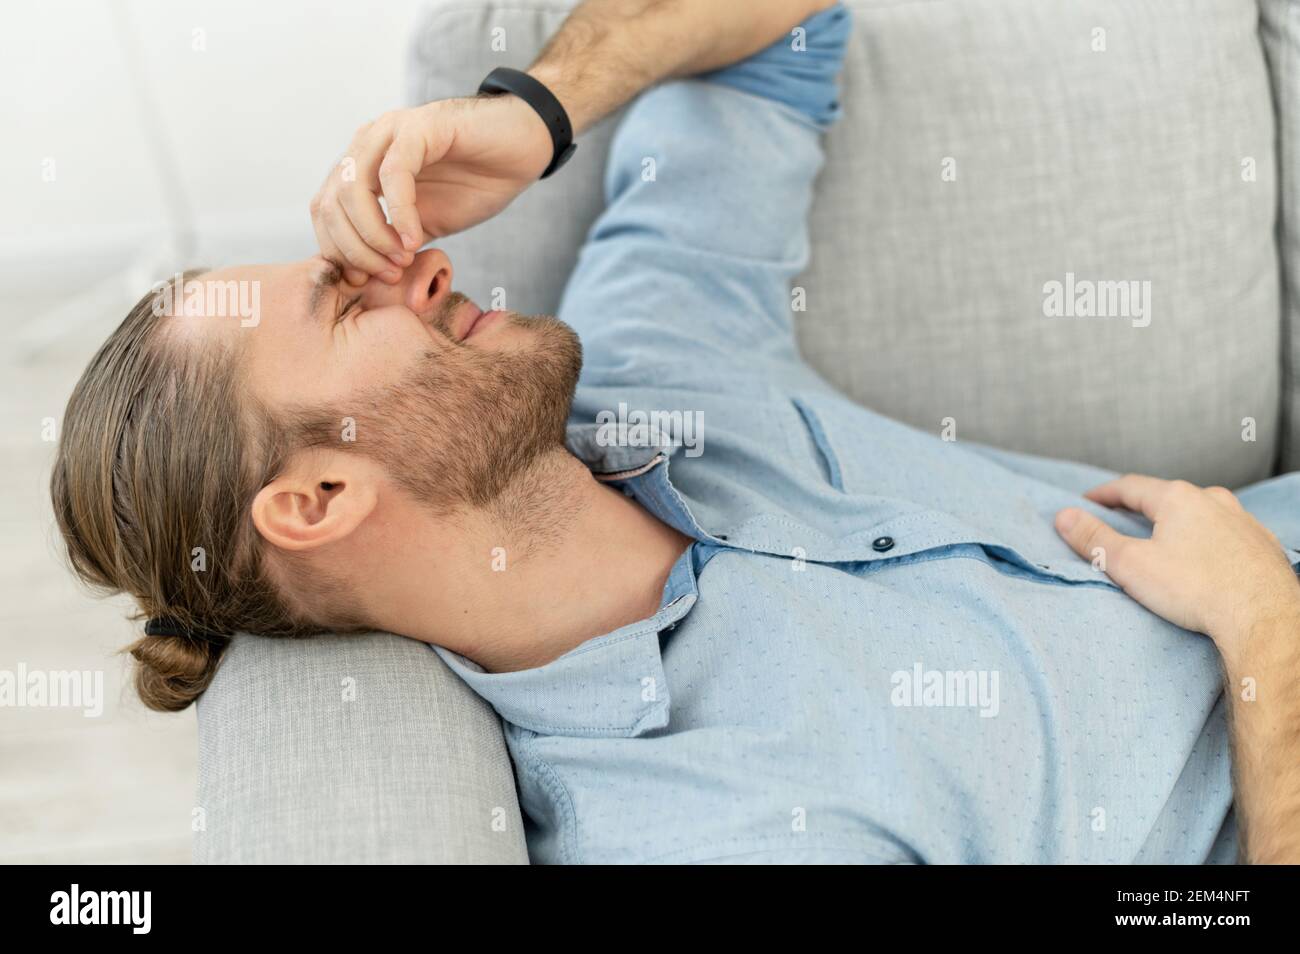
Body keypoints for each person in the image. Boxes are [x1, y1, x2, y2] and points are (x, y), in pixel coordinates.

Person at [52, 0, 1300, 863]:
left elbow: (786, 27)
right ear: (313, 501)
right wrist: (1260, 628)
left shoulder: (653, 349)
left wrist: (538, 110)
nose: (420, 265)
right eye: (346, 299)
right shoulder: (700, 820)